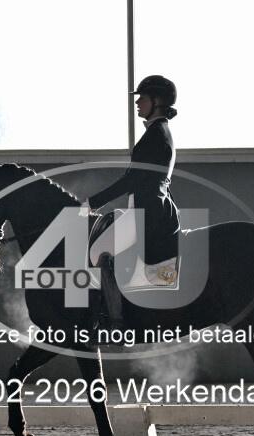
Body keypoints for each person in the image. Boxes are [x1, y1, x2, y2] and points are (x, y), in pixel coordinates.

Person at [81, 75, 181, 334]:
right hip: (150, 207)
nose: (137, 103)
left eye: (142, 98)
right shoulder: (158, 132)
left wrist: (93, 202)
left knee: (100, 253)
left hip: (149, 212)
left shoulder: (155, 135)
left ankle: (115, 322)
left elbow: (132, 179)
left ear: (156, 101)